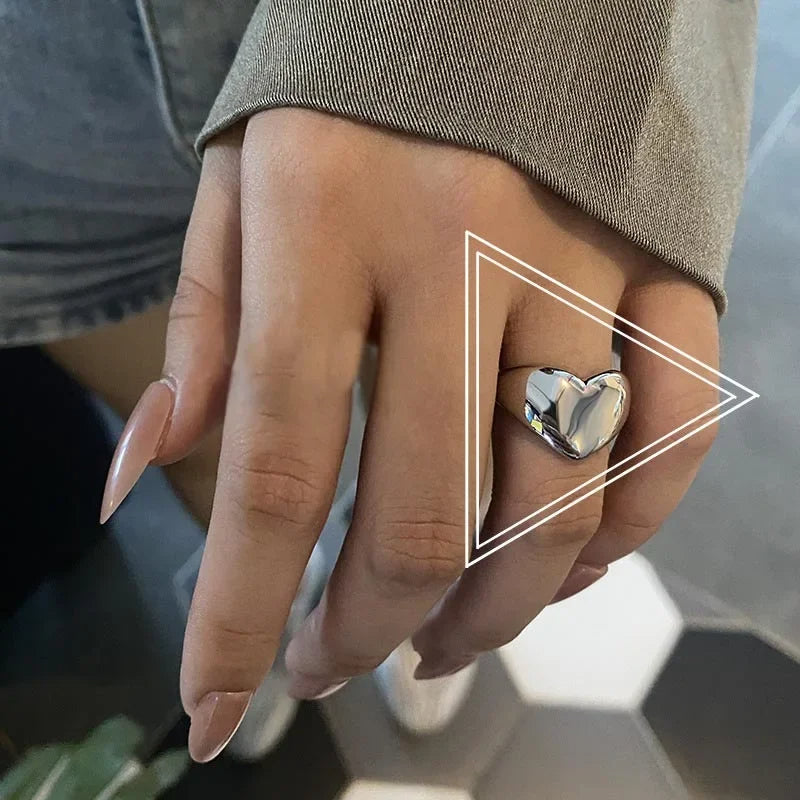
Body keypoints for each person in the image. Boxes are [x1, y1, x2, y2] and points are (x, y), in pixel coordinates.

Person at [1, 0, 757, 765]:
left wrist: (456, 49)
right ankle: (292, 588)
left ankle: (410, 577)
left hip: (335, 46)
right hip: (38, 124)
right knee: (202, 426)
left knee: (433, 407)